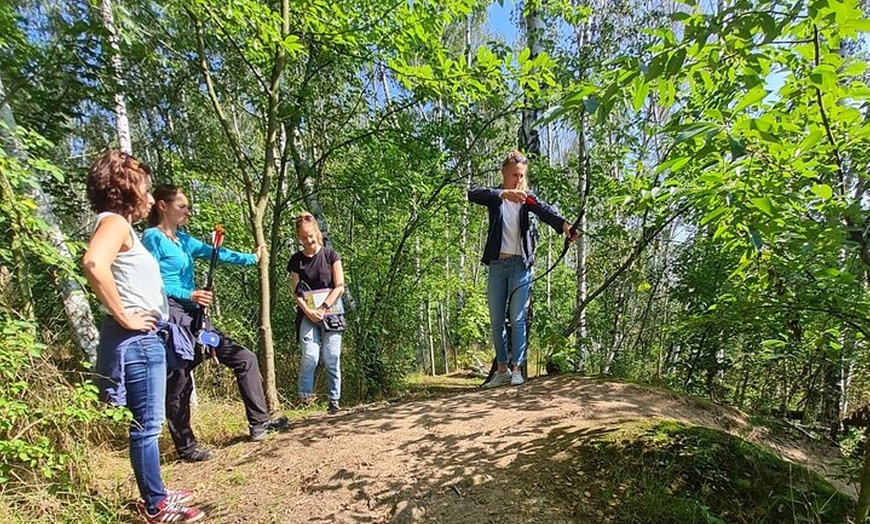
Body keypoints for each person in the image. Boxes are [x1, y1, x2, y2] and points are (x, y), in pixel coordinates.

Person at [83, 151, 205, 523]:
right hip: (136, 339)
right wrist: (124, 316)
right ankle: (155, 505)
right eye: (146, 190)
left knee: (146, 423)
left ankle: (157, 493)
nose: (151, 199)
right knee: (148, 425)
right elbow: (93, 263)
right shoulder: (115, 224)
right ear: (124, 188)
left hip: (144, 337)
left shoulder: (120, 225)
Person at [141, 184, 287, 462]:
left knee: (243, 357)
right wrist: (189, 294)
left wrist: (252, 258)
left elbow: (216, 253)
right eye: (182, 206)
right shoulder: (152, 238)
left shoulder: (183, 240)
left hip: (197, 323)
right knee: (179, 380)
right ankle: (186, 447)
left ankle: (260, 424)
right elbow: (152, 281)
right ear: (162, 205)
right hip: (173, 320)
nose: (187, 211)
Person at [468, 149, 577, 388]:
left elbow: (547, 212)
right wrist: (503, 194)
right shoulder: (496, 198)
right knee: (497, 320)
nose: (518, 180)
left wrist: (565, 226)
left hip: (520, 266)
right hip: (498, 265)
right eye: (514, 175)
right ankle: (502, 370)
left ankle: (517, 369)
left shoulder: (527, 199)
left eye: (521, 175)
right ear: (504, 173)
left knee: (517, 319)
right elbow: (472, 193)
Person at [287, 212, 346, 414]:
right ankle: (304, 398)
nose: (308, 240)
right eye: (303, 237)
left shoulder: (331, 255)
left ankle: (334, 399)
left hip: (332, 312)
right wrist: (309, 311)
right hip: (307, 314)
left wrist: (323, 308)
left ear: (317, 232)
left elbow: (340, 286)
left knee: (332, 356)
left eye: (311, 235)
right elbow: (296, 293)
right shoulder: (296, 260)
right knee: (310, 356)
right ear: (299, 237)